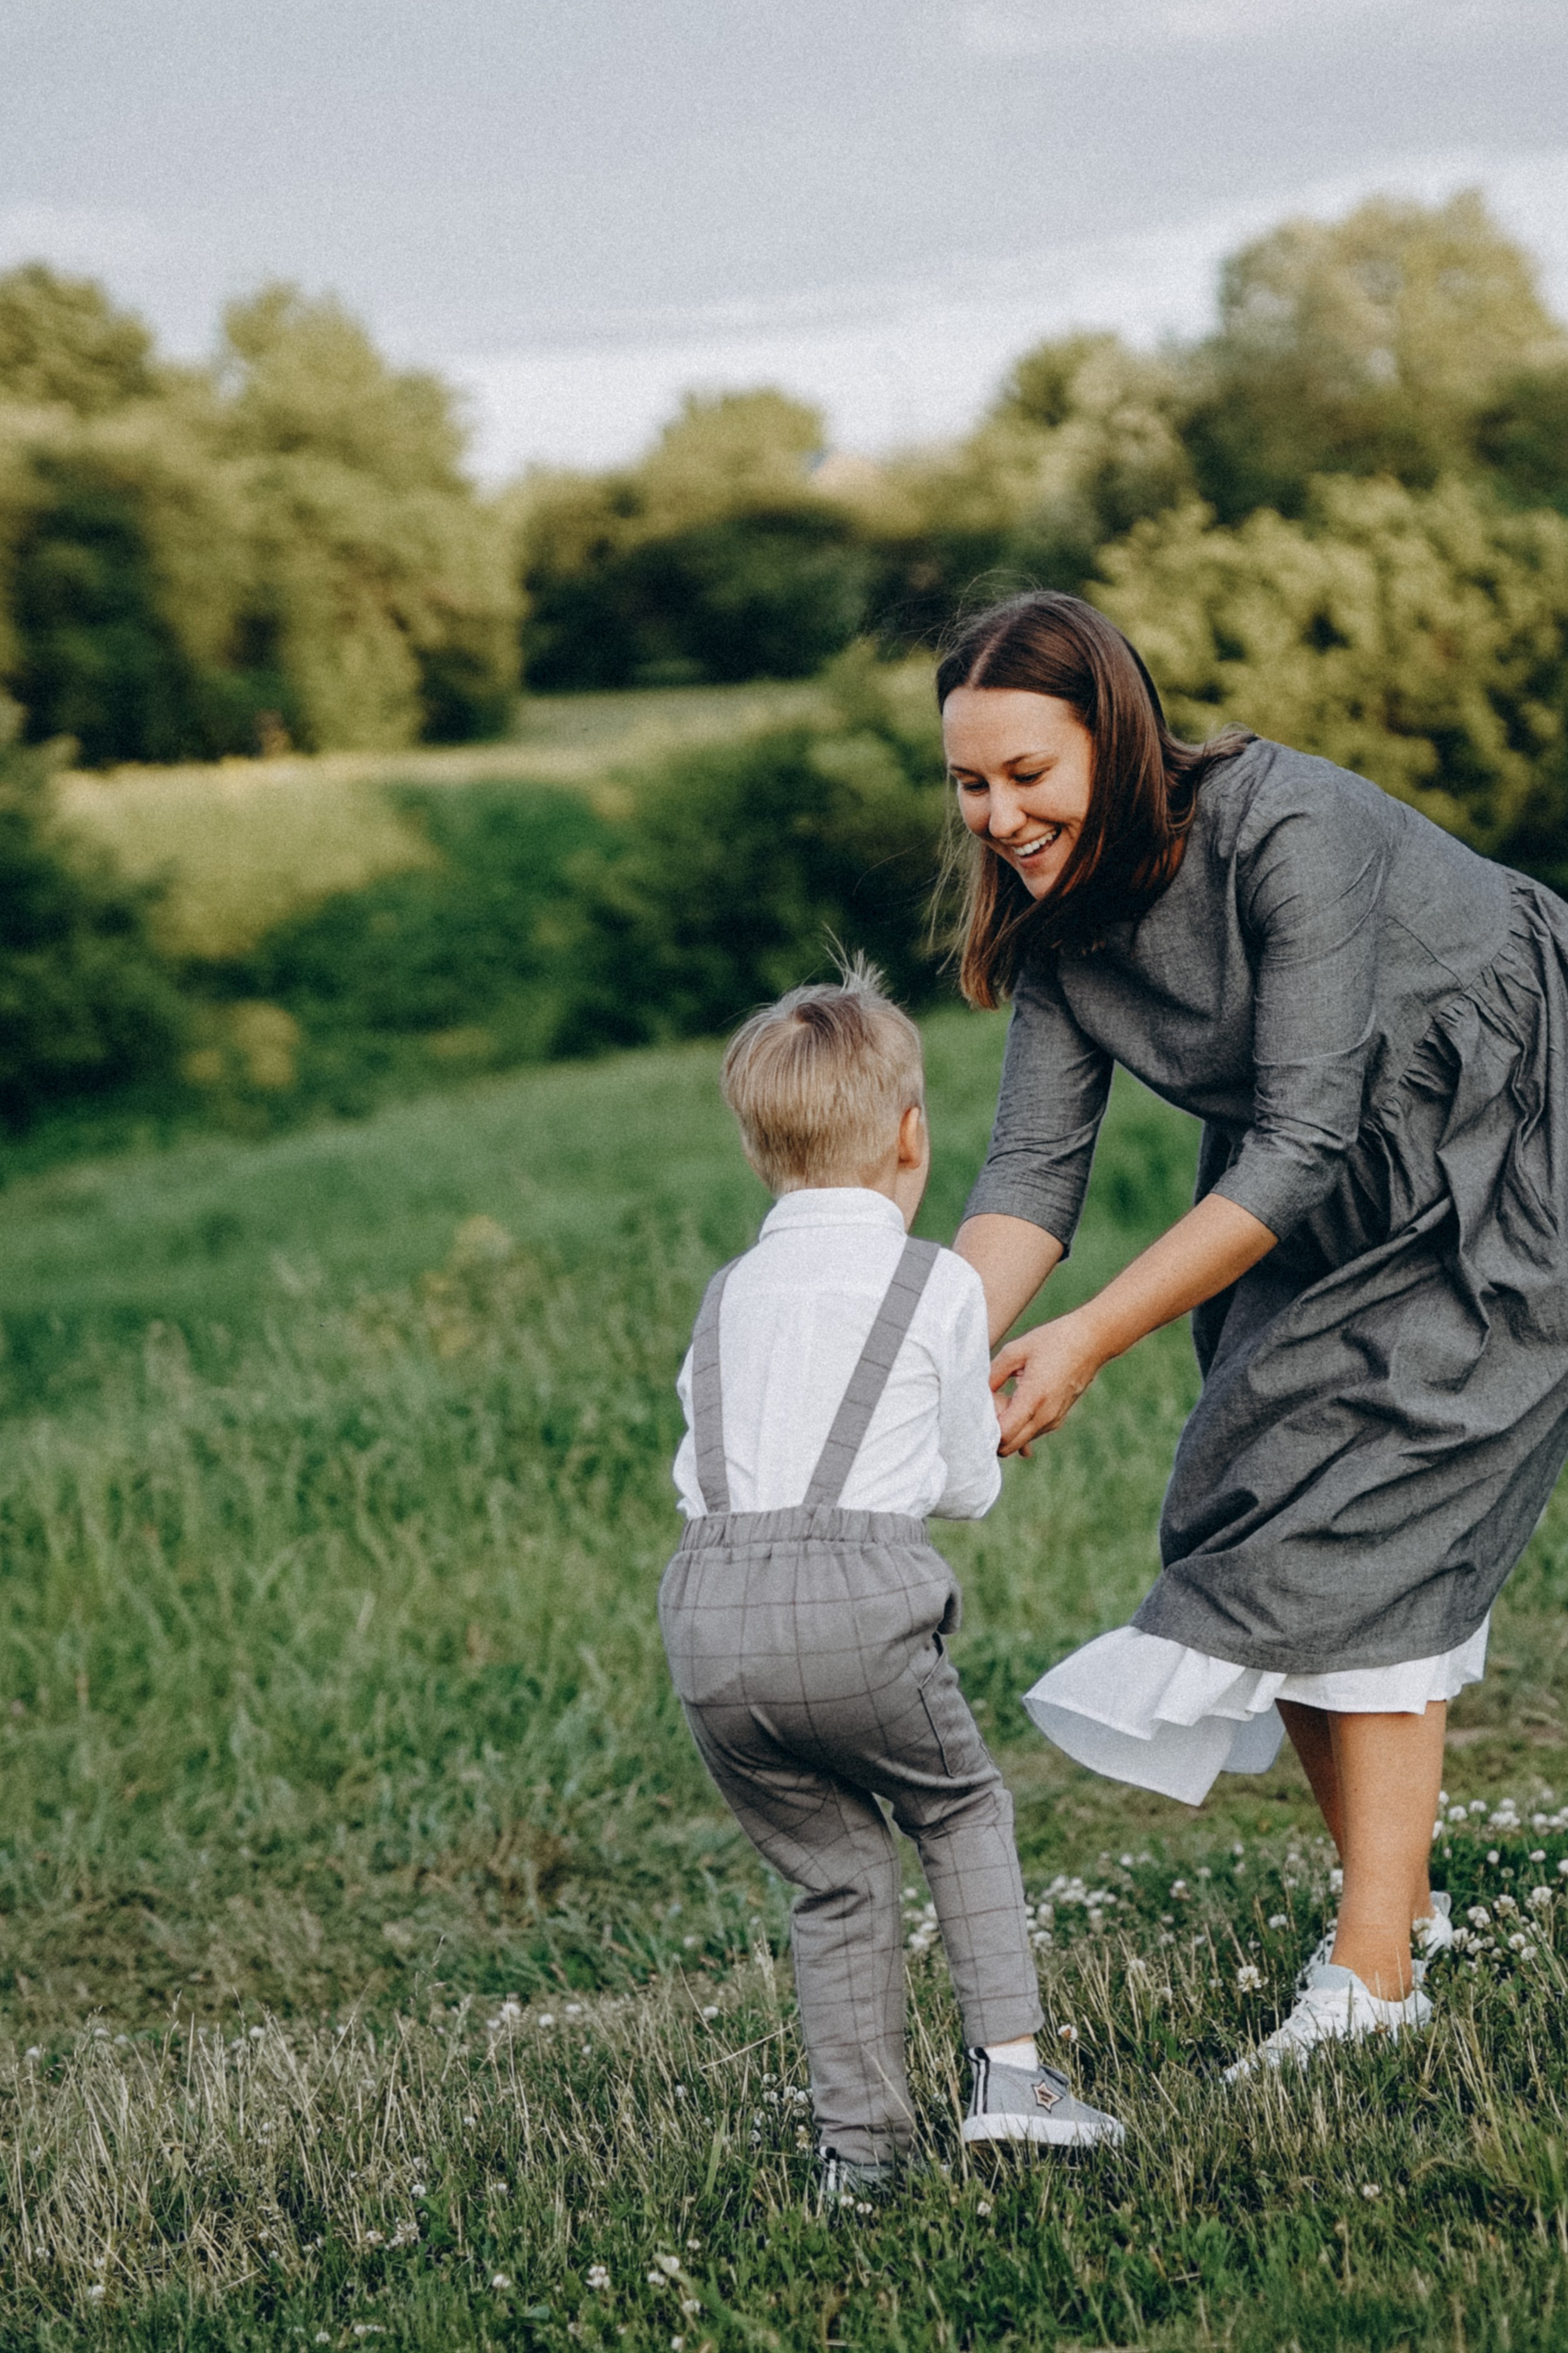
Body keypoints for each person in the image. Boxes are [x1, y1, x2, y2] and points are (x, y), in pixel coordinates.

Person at [943, 589, 1568, 2077]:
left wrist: (1089, 1336)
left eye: (1027, 775)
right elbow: (1030, 1177)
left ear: (1115, 731)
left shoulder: (1282, 829)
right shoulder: (1059, 936)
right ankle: (1390, 1926)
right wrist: (903, 1364)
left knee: (1366, 1520)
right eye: (968, 782)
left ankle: (1373, 1977)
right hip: (1322, 1197)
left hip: (1506, 1138)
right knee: (1247, 1511)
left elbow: (1294, 1133)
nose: (996, 815)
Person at [660, 960, 1125, 2194]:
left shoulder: (725, 1299)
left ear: (762, 1153)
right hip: (854, 1600)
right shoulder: (934, 1286)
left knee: (836, 1877)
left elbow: (694, 1481)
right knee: (959, 1809)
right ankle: (1014, 2078)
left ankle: (858, 2159)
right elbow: (963, 1486)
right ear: (913, 1138)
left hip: (705, 1621)